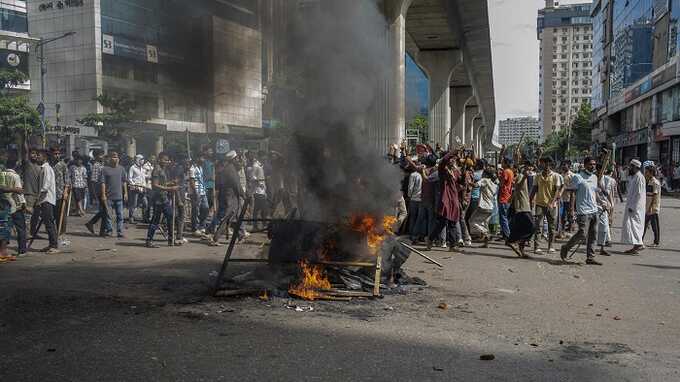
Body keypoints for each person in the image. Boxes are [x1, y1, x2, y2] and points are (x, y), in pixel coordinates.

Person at [560, 157, 602, 265]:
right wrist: (572, 209)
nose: (593, 166)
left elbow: (594, 192)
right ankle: (566, 247)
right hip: (583, 210)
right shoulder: (577, 177)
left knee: (593, 234)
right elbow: (572, 193)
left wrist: (602, 202)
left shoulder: (594, 177)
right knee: (582, 233)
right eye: (590, 164)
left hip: (594, 210)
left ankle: (590, 257)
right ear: (585, 165)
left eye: (594, 164)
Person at [426, 150, 461, 251]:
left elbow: (461, 181)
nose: (452, 160)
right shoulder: (442, 170)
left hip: (454, 199)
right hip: (445, 199)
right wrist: (454, 151)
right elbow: (443, 160)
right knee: (442, 222)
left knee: (453, 222)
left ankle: (453, 245)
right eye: (451, 159)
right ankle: (430, 239)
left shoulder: (455, 171)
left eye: (453, 159)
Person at [209, 151, 246, 246]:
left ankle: (241, 235)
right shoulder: (231, 170)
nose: (238, 160)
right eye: (237, 158)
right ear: (233, 159)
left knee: (236, 217)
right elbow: (237, 185)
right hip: (231, 197)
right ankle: (215, 238)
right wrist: (244, 196)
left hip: (228, 196)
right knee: (229, 217)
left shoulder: (228, 169)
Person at [146, 152, 178, 248]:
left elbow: (162, 183)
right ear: (159, 159)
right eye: (165, 159)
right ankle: (149, 240)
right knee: (155, 220)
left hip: (164, 198)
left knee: (171, 216)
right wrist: (170, 189)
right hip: (158, 199)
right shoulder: (157, 169)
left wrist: (170, 183)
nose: (167, 162)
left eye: (167, 160)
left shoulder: (163, 170)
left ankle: (171, 239)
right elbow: (155, 185)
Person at [531, 157, 563, 253]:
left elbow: (557, 191)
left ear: (550, 165)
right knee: (538, 226)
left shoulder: (555, 176)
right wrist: (530, 200)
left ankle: (551, 246)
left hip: (551, 205)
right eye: (544, 163)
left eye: (547, 164)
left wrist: (552, 202)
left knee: (551, 227)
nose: (545, 165)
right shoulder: (538, 176)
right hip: (540, 204)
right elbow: (534, 189)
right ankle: (537, 247)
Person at [506, 162, 535, 257]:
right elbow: (517, 188)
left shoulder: (531, 177)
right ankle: (513, 241)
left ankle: (517, 246)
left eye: (531, 166)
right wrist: (524, 178)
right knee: (531, 226)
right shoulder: (521, 176)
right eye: (527, 166)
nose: (529, 168)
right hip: (522, 206)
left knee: (521, 227)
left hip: (526, 205)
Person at [0, 159, 27, 256]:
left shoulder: (2, 174)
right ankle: (22, 250)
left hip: (4, 206)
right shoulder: (15, 176)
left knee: (5, 228)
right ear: (16, 167)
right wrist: (23, 203)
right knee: (21, 228)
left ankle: (3, 250)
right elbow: (19, 192)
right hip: (15, 206)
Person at [35, 150, 59, 253]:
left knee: (49, 223)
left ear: (44, 157)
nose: (37, 157)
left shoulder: (46, 169)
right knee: (48, 222)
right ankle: (51, 244)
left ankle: (54, 245)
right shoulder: (44, 168)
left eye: (38, 155)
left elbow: (45, 186)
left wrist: (38, 199)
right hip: (45, 199)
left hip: (47, 199)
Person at [99, 152, 128, 238]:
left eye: (117, 157)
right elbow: (103, 183)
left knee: (120, 215)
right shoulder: (105, 169)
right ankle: (109, 231)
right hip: (109, 197)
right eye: (114, 157)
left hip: (119, 196)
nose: (116, 159)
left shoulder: (122, 169)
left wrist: (125, 193)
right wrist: (103, 195)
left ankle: (120, 232)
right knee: (108, 215)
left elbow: (124, 182)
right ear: (110, 158)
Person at [621, 159, 646, 254]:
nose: (629, 168)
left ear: (635, 167)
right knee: (631, 225)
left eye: (631, 166)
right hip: (632, 205)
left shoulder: (639, 177)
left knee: (634, 226)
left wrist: (633, 206)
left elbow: (638, 194)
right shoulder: (634, 177)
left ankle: (639, 244)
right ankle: (636, 245)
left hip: (635, 207)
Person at [469, 168, 498, 247]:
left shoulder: (484, 180)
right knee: (485, 223)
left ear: (486, 174)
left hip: (483, 206)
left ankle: (486, 233)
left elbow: (475, 185)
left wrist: (468, 182)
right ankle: (486, 243)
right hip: (491, 207)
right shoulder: (494, 184)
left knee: (472, 221)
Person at [85, 150, 109, 236]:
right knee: (105, 211)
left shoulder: (102, 165)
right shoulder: (96, 165)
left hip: (105, 190)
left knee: (104, 211)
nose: (102, 157)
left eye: (102, 155)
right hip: (99, 190)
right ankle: (101, 230)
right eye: (100, 155)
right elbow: (94, 180)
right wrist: (95, 194)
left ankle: (92, 224)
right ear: (96, 156)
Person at [596, 165, 616, 256]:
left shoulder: (608, 180)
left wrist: (610, 206)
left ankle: (602, 248)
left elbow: (607, 193)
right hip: (592, 205)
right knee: (591, 229)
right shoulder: (592, 178)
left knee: (604, 228)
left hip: (603, 206)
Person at [50, 146, 70, 235]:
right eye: (55, 154)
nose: (57, 155)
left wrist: (65, 191)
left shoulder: (63, 165)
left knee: (61, 215)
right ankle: (53, 232)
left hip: (60, 193)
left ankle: (61, 233)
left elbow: (67, 180)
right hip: (50, 194)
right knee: (51, 215)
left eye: (58, 154)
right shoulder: (48, 165)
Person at [246, 151, 268, 231]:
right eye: (263, 157)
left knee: (258, 209)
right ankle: (261, 225)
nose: (265, 158)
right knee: (262, 208)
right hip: (258, 190)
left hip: (262, 190)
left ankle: (257, 225)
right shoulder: (255, 166)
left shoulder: (259, 165)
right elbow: (252, 177)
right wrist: (259, 182)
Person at [189, 156, 210, 237]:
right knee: (196, 211)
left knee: (206, 208)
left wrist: (204, 188)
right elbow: (192, 181)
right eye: (202, 158)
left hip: (202, 191)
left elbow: (201, 179)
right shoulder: (192, 169)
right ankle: (195, 228)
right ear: (197, 158)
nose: (203, 159)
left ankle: (202, 226)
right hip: (195, 192)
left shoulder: (201, 168)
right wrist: (195, 192)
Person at [643, 165, 661, 247]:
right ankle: (639, 240)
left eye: (646, 172)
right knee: (644, 224)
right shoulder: (648, 181)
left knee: (654, 225)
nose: (645, 173)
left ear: (651, 172)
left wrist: (650, 208)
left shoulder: (655, 182)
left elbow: (655, 195)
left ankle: (656, 242)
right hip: (647, 206)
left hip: (652, 208)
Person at [406, 164, 424, 244]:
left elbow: (410, 187)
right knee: (419, 218)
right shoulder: (423, 175)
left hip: (414, 199)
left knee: (413, 217)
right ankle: (416, 236)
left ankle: (412, 235)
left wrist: (409, 196)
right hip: (421, 199)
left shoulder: (413, 175)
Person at [497, 157, 514, 241]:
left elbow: (501, 183)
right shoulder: (510, 171)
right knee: (505, 217)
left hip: (504, 196)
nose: (502, 164)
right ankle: (505, 234)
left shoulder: (506, 172)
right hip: (507, 196)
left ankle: (508, 235)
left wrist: (499, 178)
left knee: (503, 217)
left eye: (503, 162)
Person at [128, 155, 148, 224]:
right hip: (135, 189)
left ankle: (145, 218)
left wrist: (145, 186)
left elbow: (143, 179)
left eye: (143, 159)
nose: (143, 160)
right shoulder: (132, 168)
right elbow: (130, 179)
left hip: (142, 188)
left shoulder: (143, 168)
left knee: (145, 203)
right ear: (137, 159)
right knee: (134, 204)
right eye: (141, 159)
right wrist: (134, 185)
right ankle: (131, 217)